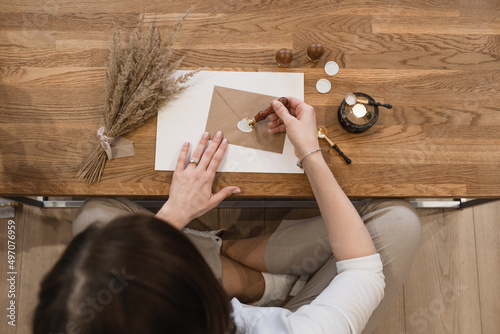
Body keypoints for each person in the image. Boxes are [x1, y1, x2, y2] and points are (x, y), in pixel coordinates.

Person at [33, 98, 422, 334]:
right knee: (397, 222)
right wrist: (309, 153)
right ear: (204, 296)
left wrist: (177, 212)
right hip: (299, 318)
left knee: (96, 218)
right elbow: (362, 272)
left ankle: (249, 272)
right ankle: (262, 279)